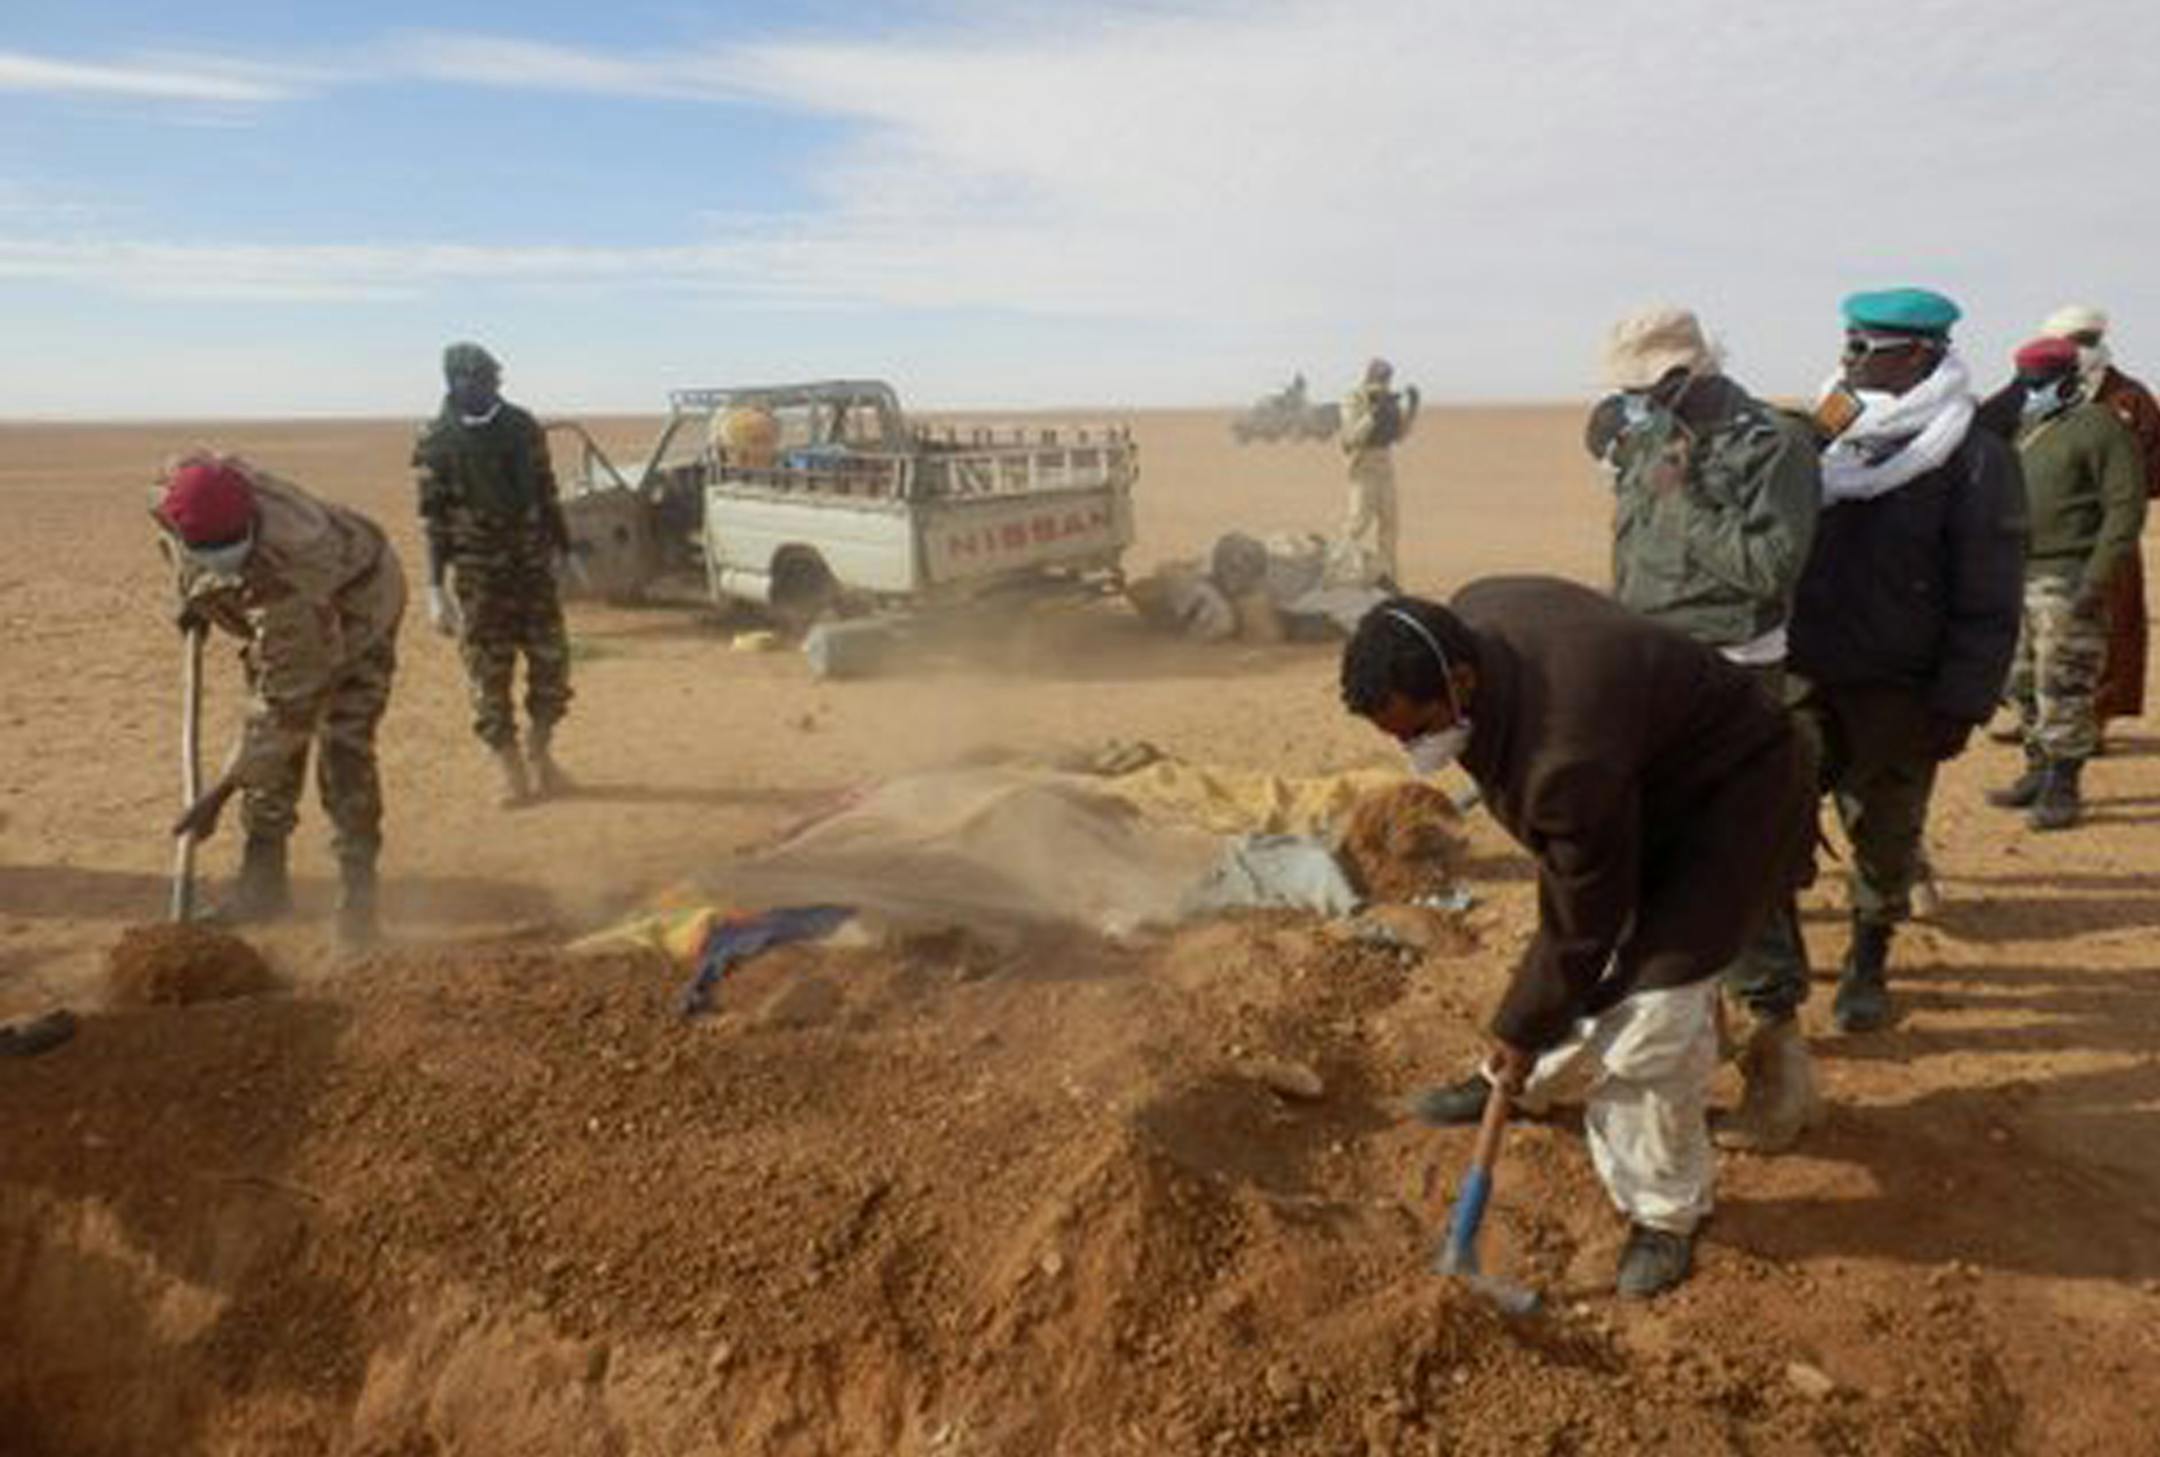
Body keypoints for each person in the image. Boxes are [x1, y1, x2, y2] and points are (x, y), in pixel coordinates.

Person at [1342, 583, 1815, 1296]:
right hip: (1639, 784)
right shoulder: (1475, 617)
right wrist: (1523, 1023)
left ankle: (1664, 1213)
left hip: (1734, 803)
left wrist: (1521, 1020)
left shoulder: (1566, 753)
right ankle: (1518, 1075)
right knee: (1566, 977)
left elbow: (1582, 923)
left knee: (1653, 1015)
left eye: (1417, 729)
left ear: (1461, 680)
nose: (1412, 749)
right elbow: (1577, 890)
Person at [1589, 305, 1825, 1152]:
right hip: (1652, 674)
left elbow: (1770, 566)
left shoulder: (1774, 444)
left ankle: (1782, 1064)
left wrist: (1683, 502)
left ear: (1688, 374)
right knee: (1657, 861)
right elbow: (1632, 555)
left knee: (1740, 868)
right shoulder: (1653, 434)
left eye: (1647, 390)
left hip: (1732, 681)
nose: (1636, 404)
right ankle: (1697, 1027)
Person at [1788, 289, 2024, 1032]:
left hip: (1898, 688)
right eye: (1847, 342)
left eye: (1867, 347)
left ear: (1919, 354)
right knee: (1772, 821)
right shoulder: (1831, 425)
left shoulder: (1973, 454)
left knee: (1884, 832)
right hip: (1800, 673)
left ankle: (1867, 961)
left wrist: (1961, 702)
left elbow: (1990, 594)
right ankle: (1784, 962)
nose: (1848, 358)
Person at [156, 453, 406, 948]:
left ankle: (359, 906)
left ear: (250, 522)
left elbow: (285, 707)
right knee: (271, 749)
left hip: (358, 602)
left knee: (342, 745)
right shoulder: (175, 497)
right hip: (271, 610)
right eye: (208, 549)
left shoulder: (295, 563)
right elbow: (173, 547)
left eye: (231, 547)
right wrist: (189, 598)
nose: (221, 556)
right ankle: (262, 887)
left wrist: (218, 795)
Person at [1985, 336, 2146, 828]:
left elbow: (2125, 507)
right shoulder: (2023, 426)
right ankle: (2036, 768)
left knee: (2065, 682)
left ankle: (2063, 783)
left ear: (2070, 379)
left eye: (2040, 382)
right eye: (2024, 381)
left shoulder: (2100, 428)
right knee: (2021, 680)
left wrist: (2097, 578)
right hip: (2015, 573)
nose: (2031, 390)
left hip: (2068, 574)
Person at [413, 342, 575, 807]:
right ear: (456, 382)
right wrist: (434, 589)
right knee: (489, 676)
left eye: (495, 380)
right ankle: (510, 769)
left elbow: (547, 492)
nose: (492, 389)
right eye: (482, 381)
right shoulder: (435, 441)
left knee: (552, 666)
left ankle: (541, 755)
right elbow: (432, 519)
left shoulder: (522, 427)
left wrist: (563, 551)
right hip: (480, 579)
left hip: (534, 571)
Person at [2039, 306, 2160, 749]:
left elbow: (2153, 466)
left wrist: (2114, 491)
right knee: (2043, 624)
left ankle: (2097, 718)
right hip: (2052, 532)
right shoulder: (2045, 393)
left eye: (2086, 338)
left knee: (2113, 621)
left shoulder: (2130, 398)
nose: (2079, 348)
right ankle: (2041, 715)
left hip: (2111, 531)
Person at [1339, 358, 1420, 587]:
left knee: (1389, 525)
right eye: (1381, 376)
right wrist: (1372, 414)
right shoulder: (1354, 399)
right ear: (1370, 376)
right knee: (1357, 524)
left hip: (1385, 463)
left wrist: (1411, 410)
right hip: (1362, 463)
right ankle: (1337, 572)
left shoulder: (1388, 399)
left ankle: (1390, 581)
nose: (1384, 382)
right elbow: (1350, 437)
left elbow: (1399, 436)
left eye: (1387, 377)